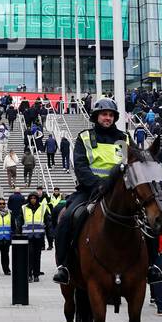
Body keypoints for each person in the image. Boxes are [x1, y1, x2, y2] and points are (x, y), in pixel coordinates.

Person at [52, 98, 136, 285]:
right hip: (91, 190)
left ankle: (152, 266)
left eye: (111, 115)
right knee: (67, 217)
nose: (107, 118)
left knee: (144, 215)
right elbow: (80, 166)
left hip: (119, 192)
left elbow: (129, 165)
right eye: (104, 114)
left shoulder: (124, 138)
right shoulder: (85, 137)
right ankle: (64, 265)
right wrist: (99, 185)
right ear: (96, 116)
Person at [21, 191, 48, 282]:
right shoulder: (24, 208)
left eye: (35, 198)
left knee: (37, 256)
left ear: (37, 199)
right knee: (29, 255)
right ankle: (29, 274)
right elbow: (20, 221)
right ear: (29, 199)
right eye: (31, 198)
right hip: (27, 236)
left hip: (39, 236)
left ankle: (36, 274)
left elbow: (47, 221)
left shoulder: (43, 207)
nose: (33, 200)